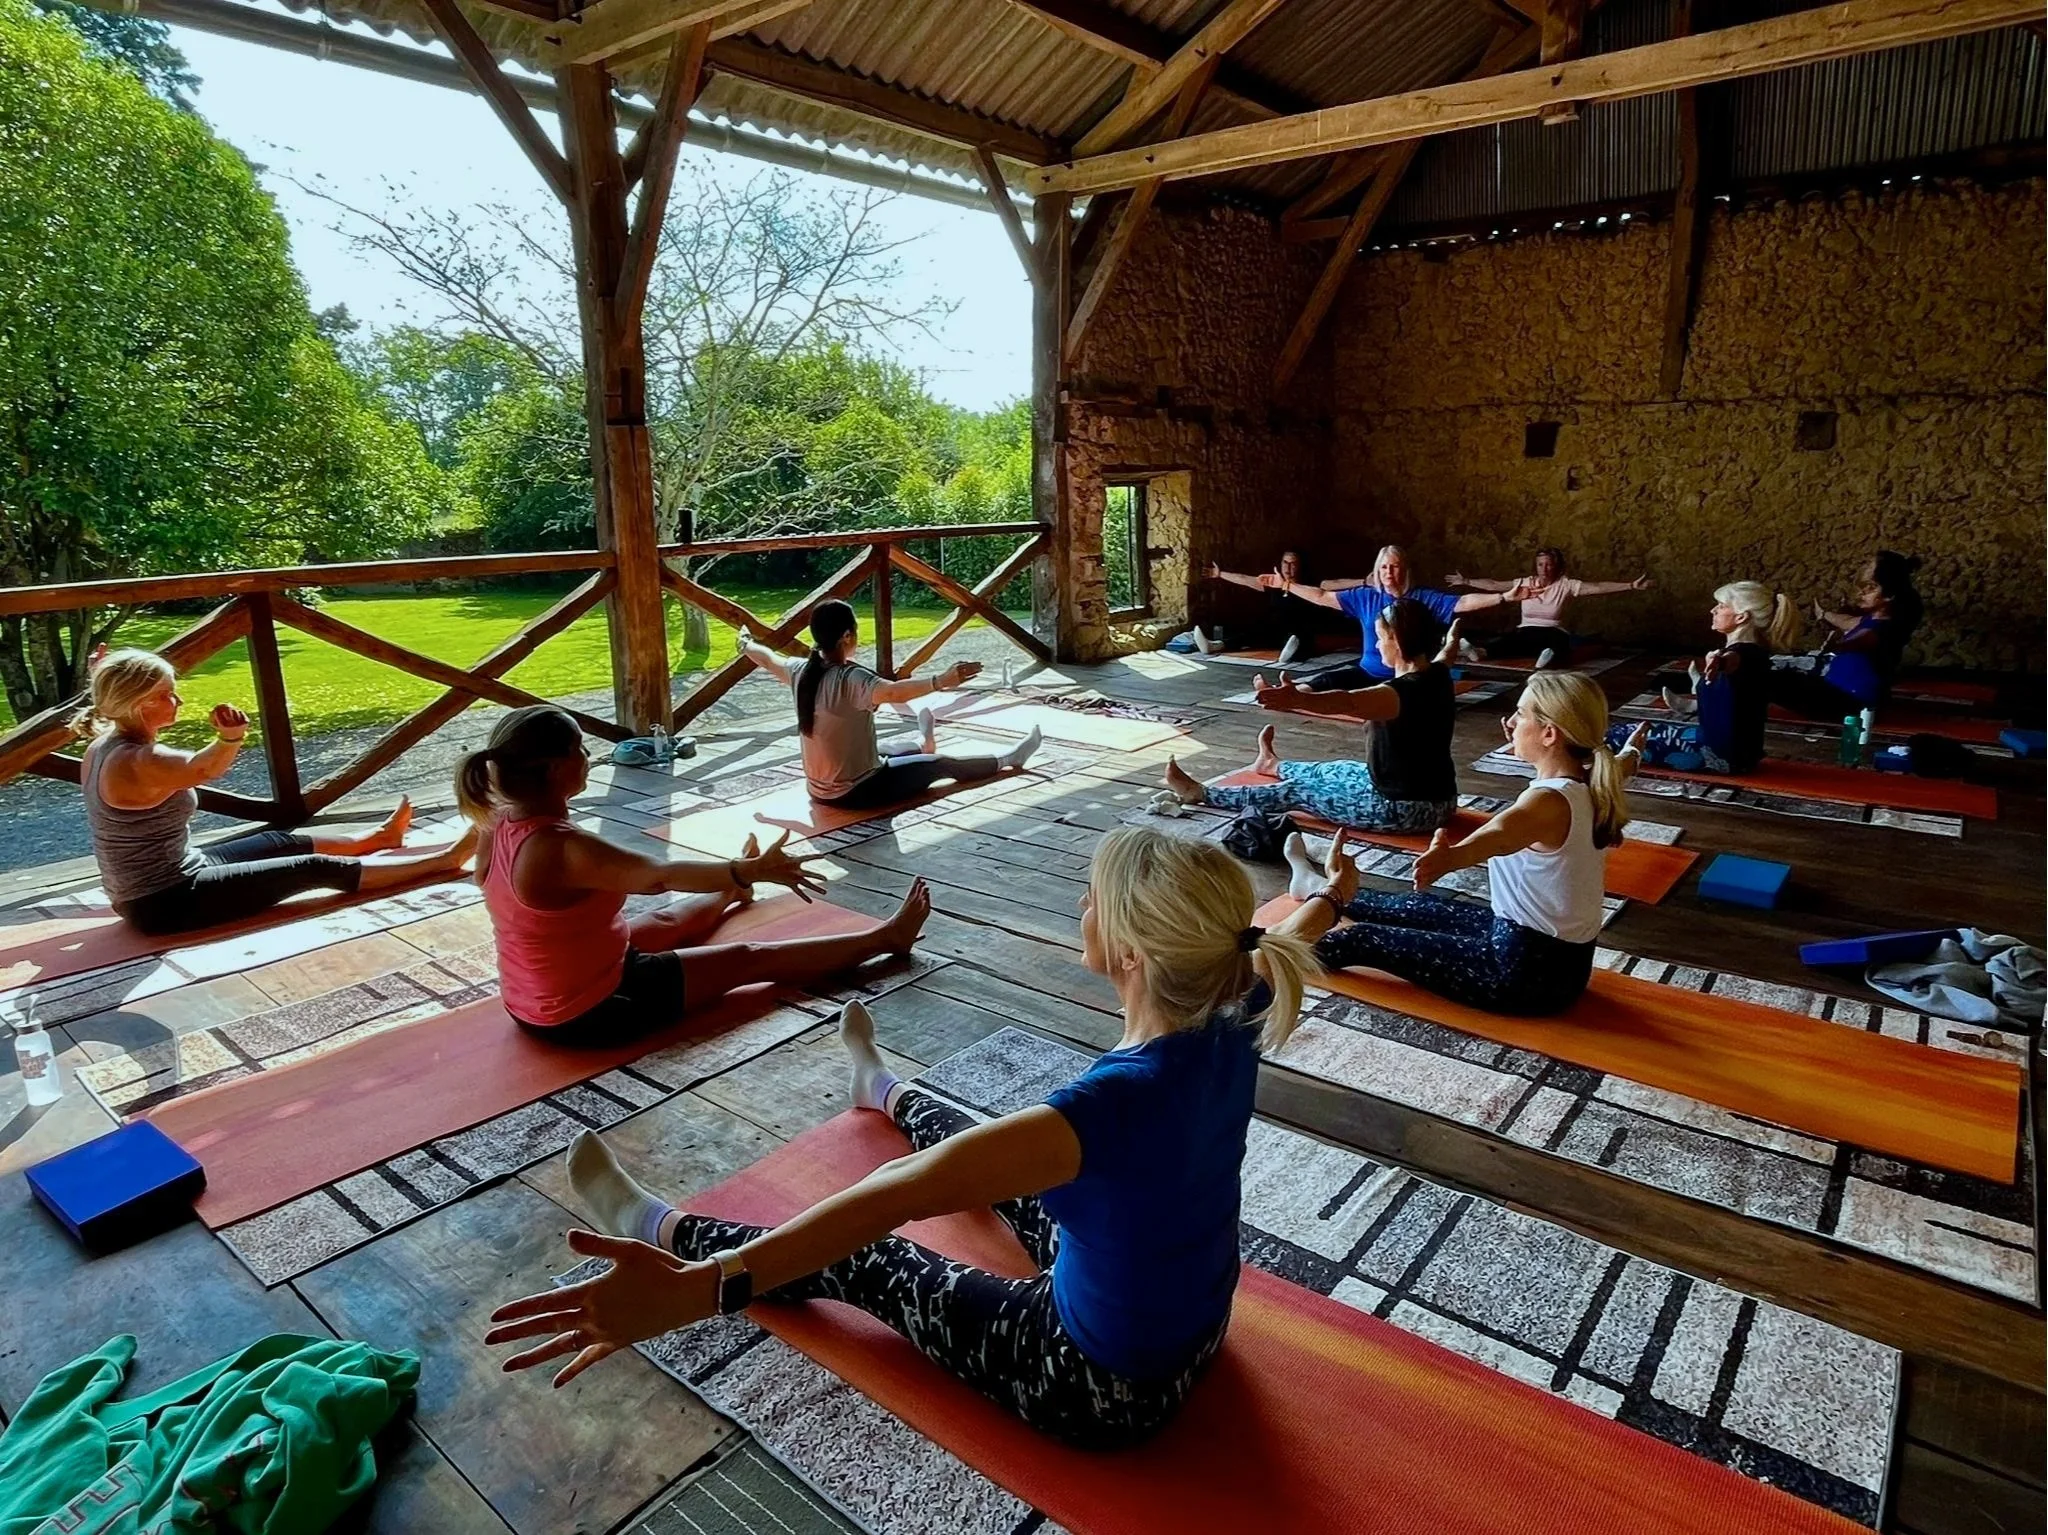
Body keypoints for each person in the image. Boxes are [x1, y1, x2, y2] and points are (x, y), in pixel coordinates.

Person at [485, 827, 1363, 1449]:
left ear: (1132, 952)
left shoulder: (1107, 1107)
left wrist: (701, 1291)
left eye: (1093, 895)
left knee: (875, 1256)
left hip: (1105, 1389)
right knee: (988, 1148)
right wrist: (1327, 893)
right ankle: (883, 1087)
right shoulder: (1238, 995)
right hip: (1202, 1325)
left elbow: (890, 1200)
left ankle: (669, 1234)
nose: (1081, 903)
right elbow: (1289, 932)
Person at [456, 704, 931, 1046]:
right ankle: (886, 939)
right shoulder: (559, 847)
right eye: (581, 749)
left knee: (665, 924)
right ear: (557, 768)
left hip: (531, 1000)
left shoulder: (497, 820)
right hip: (588, 1012)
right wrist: (750, 867)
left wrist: (735, 877)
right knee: (748, 958)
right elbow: (659, 876)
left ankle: (732, 892)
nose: (589, 758)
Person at [76, 648, 473, 936]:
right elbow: (202, 768)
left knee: (276, 841)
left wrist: (106, 670)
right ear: (139, 705)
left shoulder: (104, 744)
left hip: (164, 877)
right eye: (165, 694)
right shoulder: (139, 760)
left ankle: (379, 839)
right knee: (314, 869)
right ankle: (446, 860)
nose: (177, 700)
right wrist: (231, 737)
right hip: (165, 901)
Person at [1314, 672, 1645, 1016]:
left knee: (1362, 939)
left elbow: (1499, 834)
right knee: (1414, 907)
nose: (1511, 722)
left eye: (1520, 714)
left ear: (1549, 734)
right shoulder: (1591, 780)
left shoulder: (1546, 803)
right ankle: (1322, 894)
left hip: (1526, 976)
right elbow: (1622, 765)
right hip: (1555, 960)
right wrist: (1634, 751)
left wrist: (1453, 858)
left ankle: (1271, 958)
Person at [1158, 603, 1460, 833]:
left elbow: (1347, 702)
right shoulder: (1437, 673)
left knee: (1299, 792)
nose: (1377, 644)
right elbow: (1446, 653)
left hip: (1408, 810)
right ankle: (1272, 765)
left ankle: (1202, 794)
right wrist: (1452, 638)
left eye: (1381, 637)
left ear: (1398, 640)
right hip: (1438, 799)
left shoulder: (1396, 694)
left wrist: (1298, 699)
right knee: (1338, 770)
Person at [788, 601, 1041, 808]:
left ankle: (923, 743)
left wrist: (748, 644)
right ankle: (1010, 758)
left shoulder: (800, 670)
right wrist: (940, 680)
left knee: (881, 747)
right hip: (859, 792)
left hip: (817, 791)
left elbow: (766, 658)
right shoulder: (851, 678)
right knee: (941, 764)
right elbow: (894, 692)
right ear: (846, 636)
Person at [1269, 545, 1504, 691]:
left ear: (1405, 570)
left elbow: (1463, 602)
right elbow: (1321, 595)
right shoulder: (1365, 597)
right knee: (1323, 682)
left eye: (1394, 567)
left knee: (1383, 698)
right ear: (1376, 571)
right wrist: (1287, 584)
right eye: (1383, 568)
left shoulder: (1423, 598)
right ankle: (1290, 692)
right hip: (1368, 672)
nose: (1388, 573)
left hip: (1409, 679)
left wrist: (1504, 597)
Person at [1622, 582, 1799, 774]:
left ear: (1741, 617)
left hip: (1718, 756)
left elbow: (1731, 661)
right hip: (1740, 755)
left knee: (1613, 738)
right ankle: (1695, 705)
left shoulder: (1742, 653)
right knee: (1638, 730)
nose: (1713, 610)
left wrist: (1718, 662)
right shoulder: (1756, 651)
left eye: (1722, 606)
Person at [1768, 551, 1925, 721]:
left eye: (1871, 588)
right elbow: (1847, 621)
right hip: (1836, 691)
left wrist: (1839, 645)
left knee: (1767, 679)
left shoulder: (1882, 630)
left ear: (1889, 595)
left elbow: (1865, 639)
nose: (1862, 593)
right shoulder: (1871, 618)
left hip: (1851, 704)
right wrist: (1823, 614)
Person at [1443, 549, 1652, 668]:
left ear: (1558, 566)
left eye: (1549, 564)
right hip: (1526, 630)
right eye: (1540, 564)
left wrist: (1631, 585)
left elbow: (1597, 587)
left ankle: (1548, 658)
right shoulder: (1525, 582)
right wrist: (1466, 580)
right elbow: (1495, 585)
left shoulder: (1566, 585)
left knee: (1557, 643)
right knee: (1508, 640)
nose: (1544, 568)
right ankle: (1478, 652)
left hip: (1553, 632)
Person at [1190, 550, 1309, 660]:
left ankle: (1291, 654)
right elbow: (1244, 579)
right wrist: (1219, 573)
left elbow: (1324, 589)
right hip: (1273, 631)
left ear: (1299, 566)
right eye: (1285, 562)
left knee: (1300, 636)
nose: (1288, 567)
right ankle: (1215, 646)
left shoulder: (1307, 587)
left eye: (1293, 563)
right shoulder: (1273, 584)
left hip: (1295, 630)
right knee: (1251, 631)